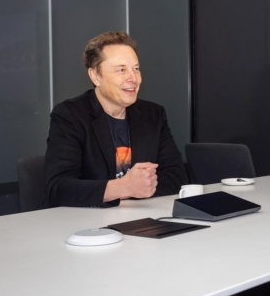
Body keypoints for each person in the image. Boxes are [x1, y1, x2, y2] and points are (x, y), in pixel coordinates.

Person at [44, 31, 186, 208]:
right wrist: (122, 188)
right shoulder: (70, 115)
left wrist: (138, 189)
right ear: (95, 76)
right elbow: (58, 188)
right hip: (88, 225)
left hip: (143, 216)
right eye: (121, 70)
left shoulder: (153, 115)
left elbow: (176, 175)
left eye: (136, 69)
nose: (133, 79)